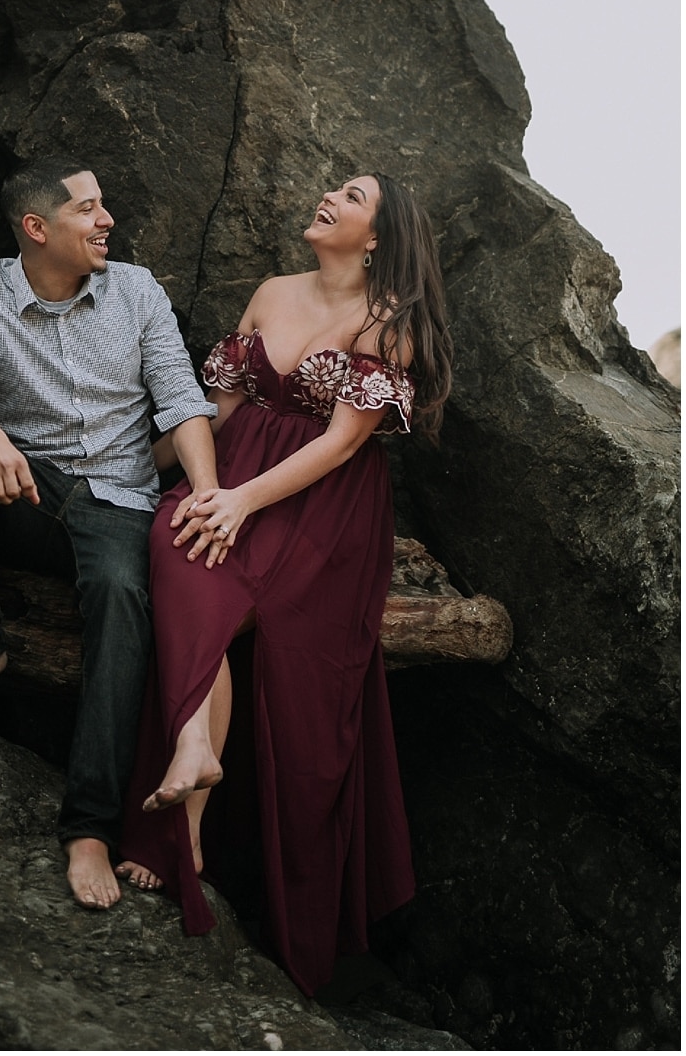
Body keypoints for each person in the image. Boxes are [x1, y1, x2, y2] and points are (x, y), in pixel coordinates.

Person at [115, 173, 451, 998]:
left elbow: (341, 445)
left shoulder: (390, 323)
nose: (328, 197)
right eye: (331, 187)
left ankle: (193, 804)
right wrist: (126, 470)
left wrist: (238, 503)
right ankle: (192, 772)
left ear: (378, 236)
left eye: (353, 195)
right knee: (174, 537)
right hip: (232, 472)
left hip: (320, 510)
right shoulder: (270, 290)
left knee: (238, 605)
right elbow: (218, 411)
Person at [0, 158, 221, 910]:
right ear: (37, 228)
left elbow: (181, 399)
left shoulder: (136, 290)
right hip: (26, 492)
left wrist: (209, 496)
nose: (106, 218)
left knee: (121, 597)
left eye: (103, 204)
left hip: (119, 503)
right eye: (88, 208)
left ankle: (89, 829)